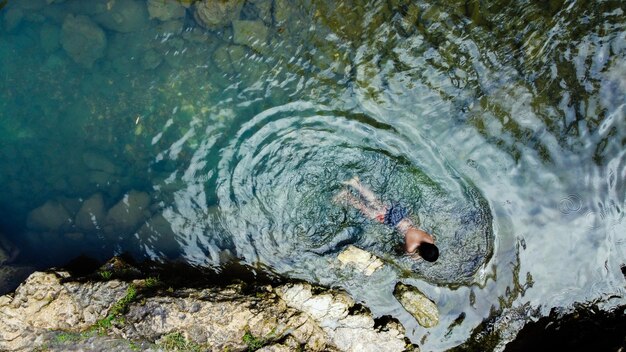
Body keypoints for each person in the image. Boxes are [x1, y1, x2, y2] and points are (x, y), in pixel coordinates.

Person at [334, 177, 439, 262]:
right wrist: (416, 257)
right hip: (393, 221)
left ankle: (356, 183)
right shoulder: (411, 248)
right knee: (367, 211)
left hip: (402, 215)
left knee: (375, 202)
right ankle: (346, 195)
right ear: (422, 254)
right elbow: (401, 249)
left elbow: (431, 240)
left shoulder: (430, 239)